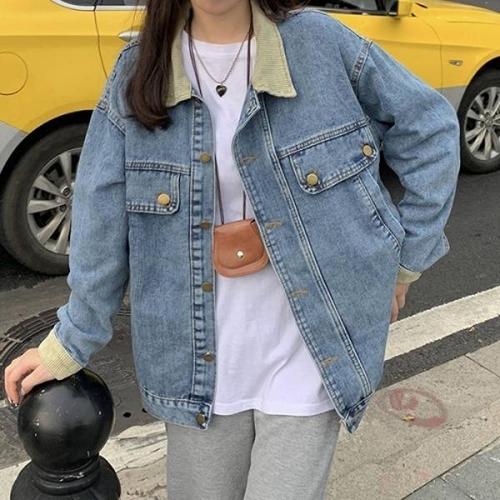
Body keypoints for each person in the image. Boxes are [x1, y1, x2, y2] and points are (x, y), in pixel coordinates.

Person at [3, 0, 460, 498]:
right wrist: (72, 338)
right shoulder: (139, 72)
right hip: (195, 360)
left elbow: (430, 130)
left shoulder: (319, 43)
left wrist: (406, 262)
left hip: (313, 346)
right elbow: (100, 217)